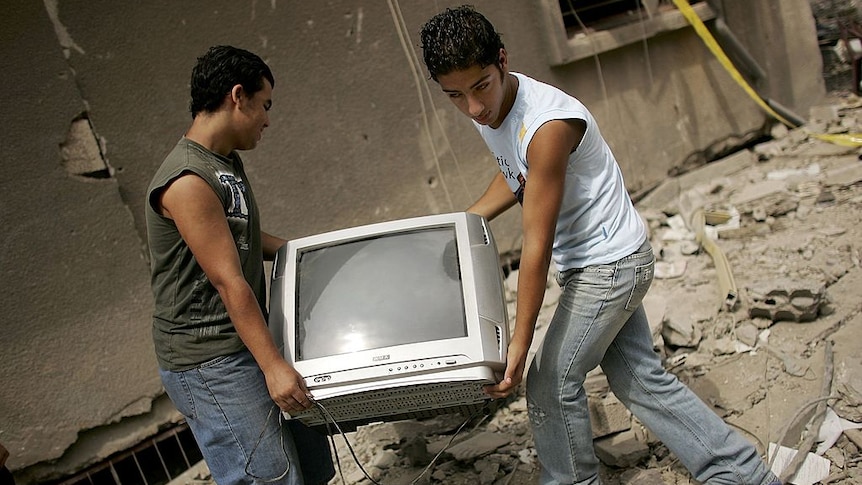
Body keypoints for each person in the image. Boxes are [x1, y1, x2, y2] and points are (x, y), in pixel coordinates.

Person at [419, 6, 781, 485]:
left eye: (480, 86)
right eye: (454, 95)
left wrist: (519, 348)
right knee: (639, 379)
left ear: (502, 60)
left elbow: (535, 247)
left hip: (609, 266)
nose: (473, 107)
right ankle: (744, 473)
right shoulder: (491, 106)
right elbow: (517, 174)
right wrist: (466, 222)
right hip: (601, 260)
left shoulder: (547, 126)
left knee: (550, 385)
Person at [145, 45, 334, 485]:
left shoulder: (224, 162)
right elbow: (229, 280)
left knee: (311, 466)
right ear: (237, 96)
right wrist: (274, 367)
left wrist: (305, 251)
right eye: (264, 105)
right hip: (212, 360)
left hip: (248, 338)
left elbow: (240, 242)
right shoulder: (188, 181)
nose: (268, 119)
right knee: (268, 478)